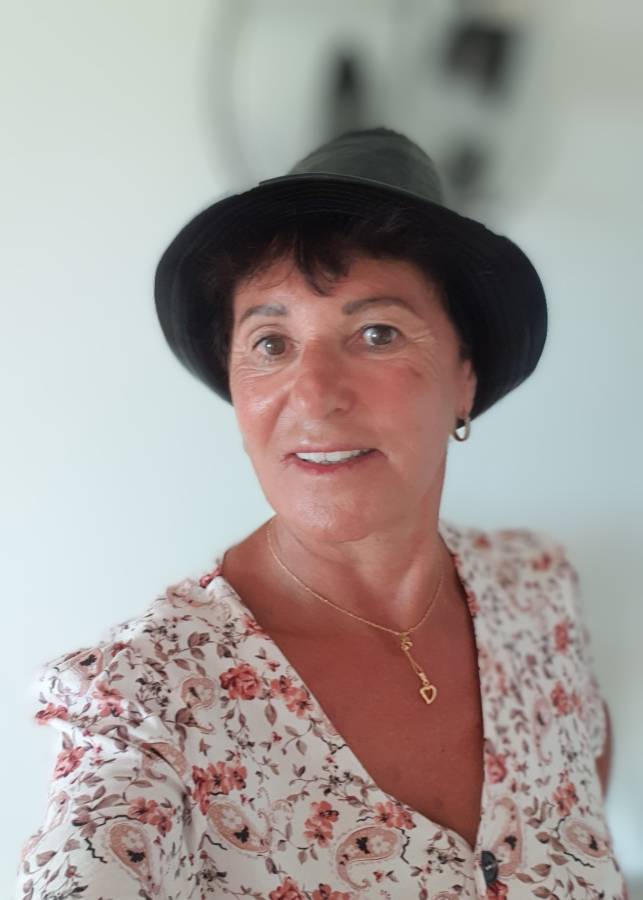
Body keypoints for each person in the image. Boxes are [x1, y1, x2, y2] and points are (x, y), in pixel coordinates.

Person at [16, 128, 628, 899]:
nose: (312, 395)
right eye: (271, 343)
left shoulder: (537, 593)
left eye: (376, 333)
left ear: (463, 378)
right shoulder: (145, 703)